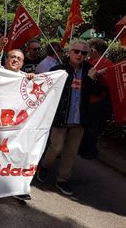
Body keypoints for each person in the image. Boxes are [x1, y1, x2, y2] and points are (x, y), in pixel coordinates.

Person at [36, 40, 100, 196]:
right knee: (56, 147)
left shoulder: (90, 71)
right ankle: (45, 165)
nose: (79, 55)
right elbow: (46, 89)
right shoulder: (59, 69)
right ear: (70, 52)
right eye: (76, 51)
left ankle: (62, 179)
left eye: (84, 53)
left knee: (71, 151)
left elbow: (96, 92)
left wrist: (93, 79)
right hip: (61, 117)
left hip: (79, 119)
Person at [0, 37, 35, 201]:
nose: (15, 60)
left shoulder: (27, 79)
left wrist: (32, 80)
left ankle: (18, 187)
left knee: (17, 154)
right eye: (12, 57)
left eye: (19, 58)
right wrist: (0, 48)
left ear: (23, 63)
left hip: (16, 126)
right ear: (6, 59)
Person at [78, 38, 114, 159]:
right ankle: (82, 148)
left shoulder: (107, 63)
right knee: (84, 125)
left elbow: (110, 83)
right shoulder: (89, 61)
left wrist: (98, 75)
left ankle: (89, 151)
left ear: (97, 50)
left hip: (97, 100)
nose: (89, 52)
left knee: (92, 127)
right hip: (86, 99)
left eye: (91, 49)